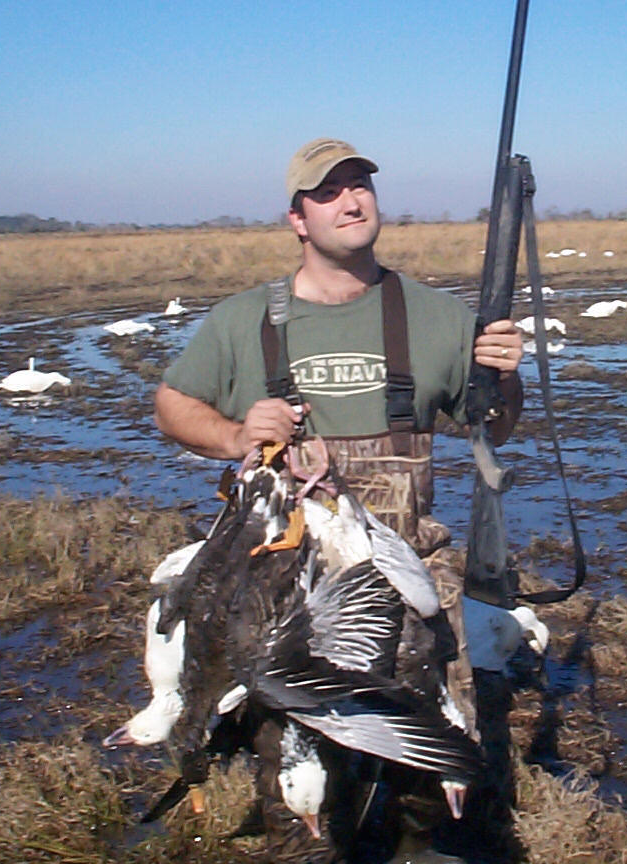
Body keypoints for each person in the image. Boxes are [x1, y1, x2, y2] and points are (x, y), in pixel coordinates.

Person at [153, 137, 526, 859]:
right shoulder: (242, 323)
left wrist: (506, 379)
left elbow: (496, 431)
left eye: (361, 186)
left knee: (433, 751)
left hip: (406, 573)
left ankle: (423, 844)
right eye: (328, 193)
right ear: (296, 218)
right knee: (297, 764)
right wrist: (236, 435)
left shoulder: (435, 317)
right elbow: (171, 406)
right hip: (284, 586)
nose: (351, 201)